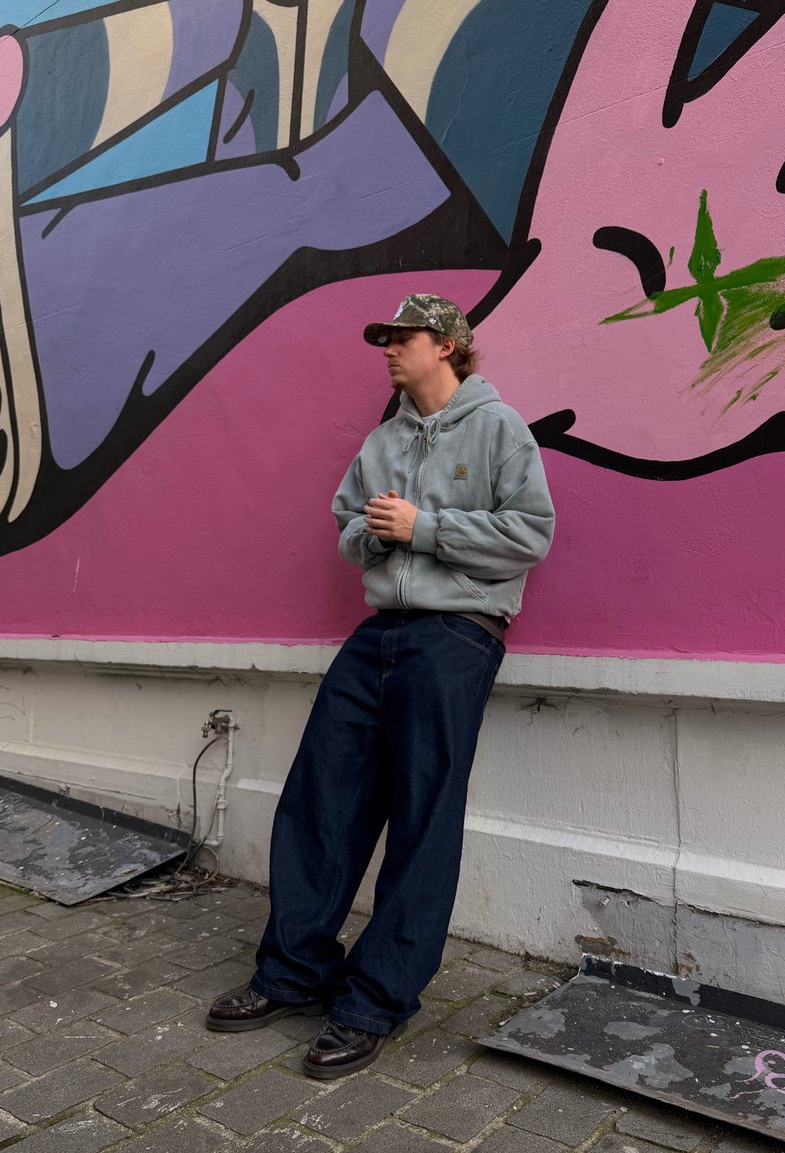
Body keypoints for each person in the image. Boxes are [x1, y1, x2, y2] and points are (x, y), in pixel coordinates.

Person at [206, 294, 555, 1078]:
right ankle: (293, 971)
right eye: (385, 339)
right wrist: (373, 531)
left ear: (450, 345)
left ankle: (373, 1002)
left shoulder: (500, 429)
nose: (390, 348)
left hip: (457, 634)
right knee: (320, 794)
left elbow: (532, 533)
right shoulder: (382, 440)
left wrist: (423, 528)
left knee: (422, 817)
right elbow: (346, 525)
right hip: (378, 634)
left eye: (404, 336)